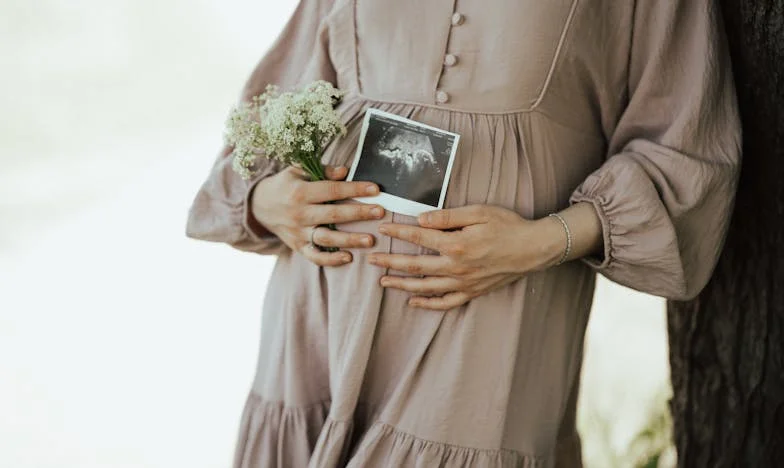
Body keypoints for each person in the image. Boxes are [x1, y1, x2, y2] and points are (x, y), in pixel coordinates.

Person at [185, 0, 741, 466]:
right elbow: (272, 110)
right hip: (319, 312)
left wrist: (546, 240)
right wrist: (264, 200)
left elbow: (687, 150)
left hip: (495, 322)